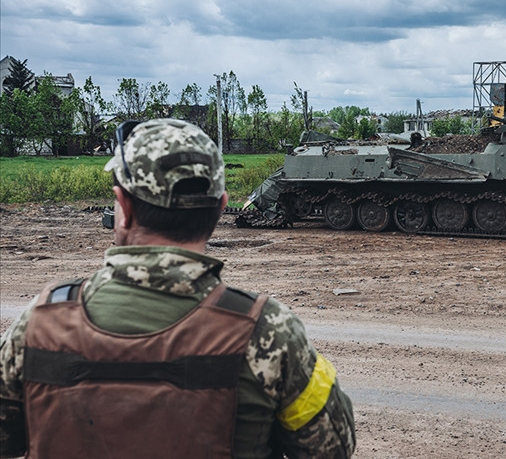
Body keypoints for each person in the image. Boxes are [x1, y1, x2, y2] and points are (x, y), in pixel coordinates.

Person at [0, 119, 356, 458]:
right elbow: (331, 447)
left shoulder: (39, 323)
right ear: (220, 207)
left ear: (123, 207)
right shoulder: (268, 331)